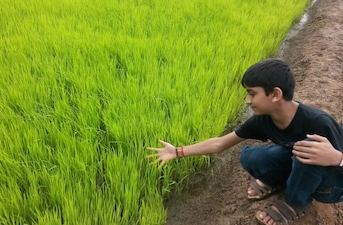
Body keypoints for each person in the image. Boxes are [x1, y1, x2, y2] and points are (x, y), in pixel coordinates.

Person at [146, 58, 343, 225]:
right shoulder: (263, 120)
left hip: (332, 186)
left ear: (275, 94)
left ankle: (295, 202)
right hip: (301, 164)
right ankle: (279, 181)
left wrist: (337, 157)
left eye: (252, 93)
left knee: (306, 150)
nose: (248, 100)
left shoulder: (319, 123)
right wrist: (177, 151)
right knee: (250, 156)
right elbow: (220, 144)